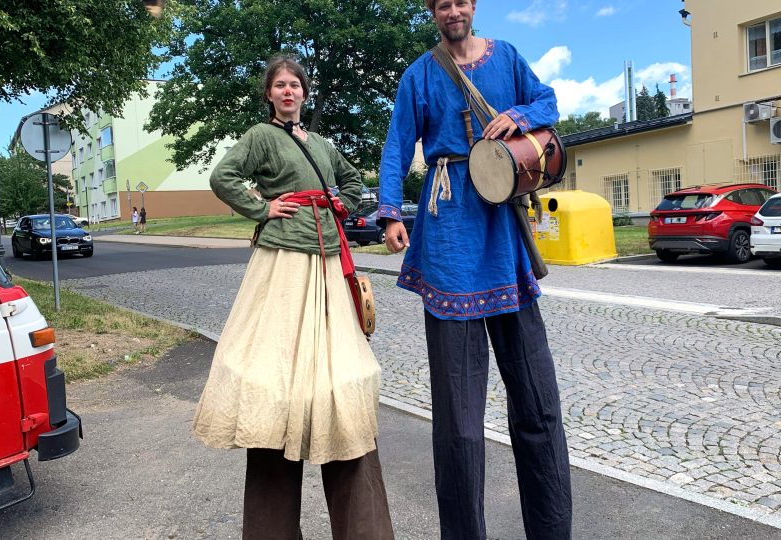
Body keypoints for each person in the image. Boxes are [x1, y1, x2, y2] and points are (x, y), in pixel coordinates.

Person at [378, 1, 572, 538]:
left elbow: (548, 100)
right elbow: (397, 144)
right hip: (447, 240)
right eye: (444, 4)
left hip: (505, 234)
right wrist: (390, 210)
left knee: (538, 406)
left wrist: (522, 116)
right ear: (433, 11)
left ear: (473, 6)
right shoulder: (420, 74)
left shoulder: (507, 56)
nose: (454, 11)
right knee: (460, 427)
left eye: (461, 1)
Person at [193, 55, 394, 540]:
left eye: (295, 85)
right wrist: (262, 207)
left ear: (305, 93)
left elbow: (352, 183)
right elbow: (223, 176)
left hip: (327, 267)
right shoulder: (261, 138)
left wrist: (341, 205)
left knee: (338, 381)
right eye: (280, 85)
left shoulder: (322, 144)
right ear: (269, 94)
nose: (288, 92)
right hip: (281, 263)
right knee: (274, 382)